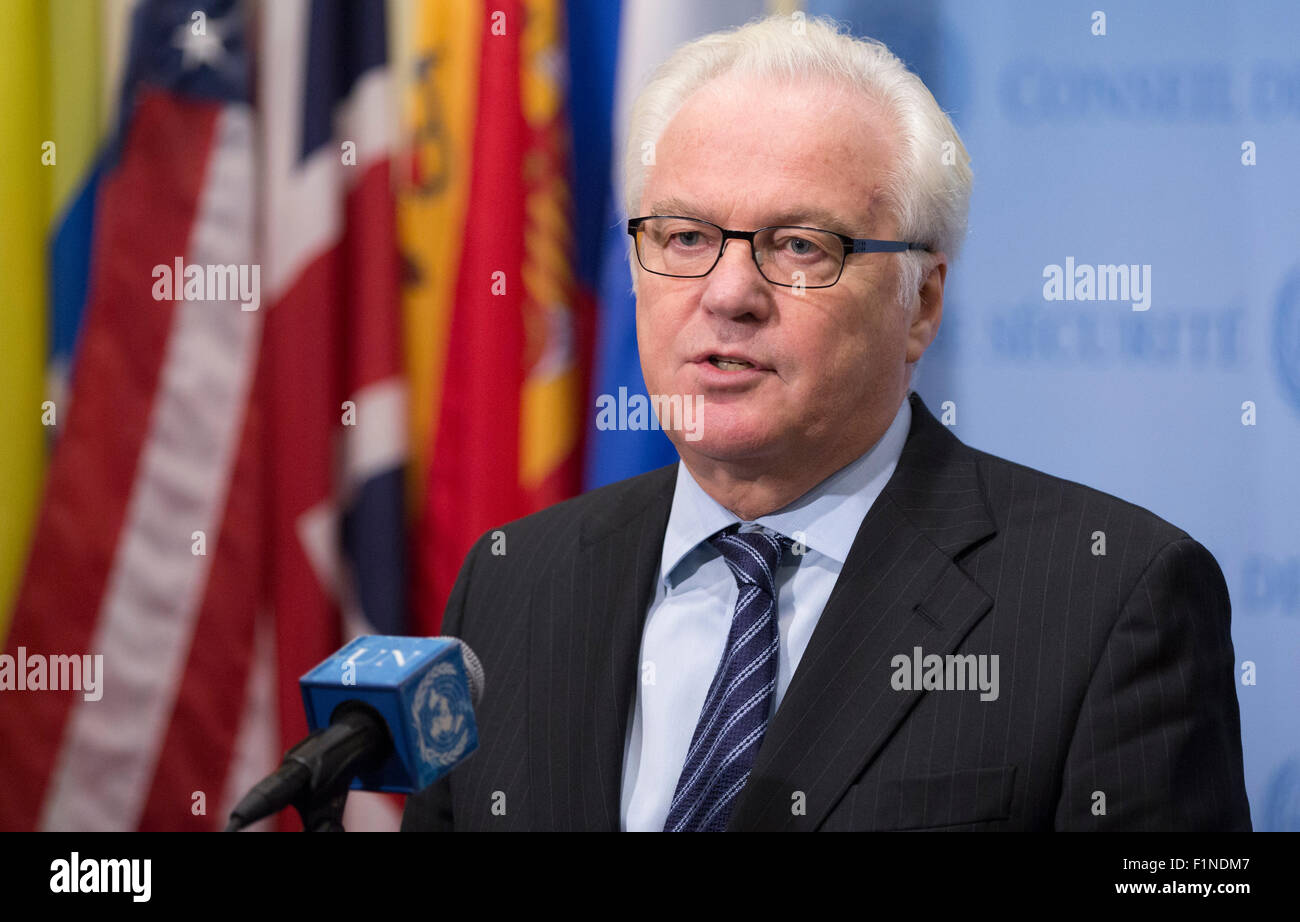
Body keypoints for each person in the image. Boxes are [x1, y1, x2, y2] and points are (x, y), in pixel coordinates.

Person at [403, 15, 1250, 831]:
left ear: (921, 303)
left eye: (801, 245)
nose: (728, 294)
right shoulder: (511, 584)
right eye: (686, 236)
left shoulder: (1113, 603)